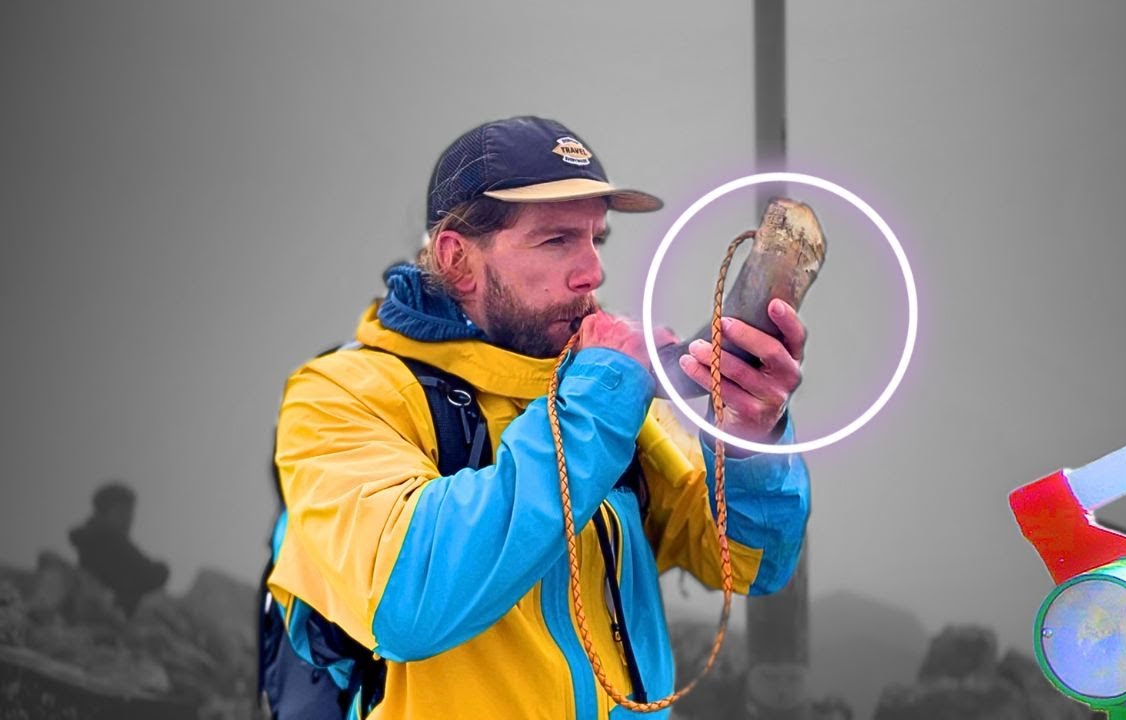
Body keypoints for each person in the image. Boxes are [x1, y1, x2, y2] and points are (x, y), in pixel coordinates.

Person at [266, 116, 811, 719]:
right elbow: (408, 599)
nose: (593, 272)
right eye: (556, 241)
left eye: (596, 239)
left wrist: (748, 438)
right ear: (457, 260)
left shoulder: (587, 390)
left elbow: (746, 564)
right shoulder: (340, 395)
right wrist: (602, 390)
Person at [68, 481, 169, 616]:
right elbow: (150, 574)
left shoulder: (92, 539)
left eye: (130, 514)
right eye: (123, 513)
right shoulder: (108, 539)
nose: (129, 520)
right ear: (105, 513)